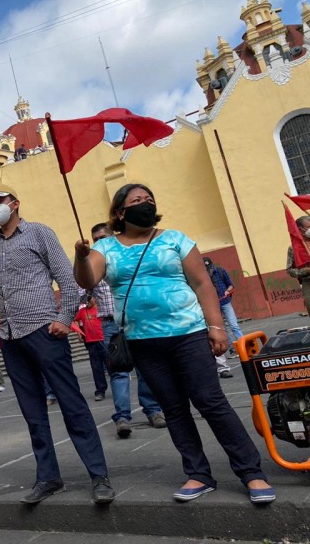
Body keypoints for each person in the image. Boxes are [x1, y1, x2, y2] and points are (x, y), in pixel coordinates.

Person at [74, 183, 275, 504]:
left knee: (211, 402)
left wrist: (216, 327)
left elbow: (202, 283)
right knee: (174, 409)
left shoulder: (175, 239)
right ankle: (198, 473)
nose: (146, 204)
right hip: (142, 342)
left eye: (149, 199)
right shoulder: (107, 249)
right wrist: (81, 257)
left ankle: (251, 473)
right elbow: (87, 280)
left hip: (189, 334)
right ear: (120, 212)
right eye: (137, 201)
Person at [0, 183, 114, 505]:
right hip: (12, 336)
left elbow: (67, 279)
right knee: (32, 412)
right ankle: (48, 477)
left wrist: (65, 318)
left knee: (71, 403)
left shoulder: (40, 233)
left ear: (14, 203)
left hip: (44, 329)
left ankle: (98, 474)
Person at [90, 223, 165, 436]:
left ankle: (153, 411)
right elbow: (78, 288)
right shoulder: (93, 263)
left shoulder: (124, 257)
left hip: (135, 319)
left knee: (145, 367)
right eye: (95, 238)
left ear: (113, 235)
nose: (99, 241)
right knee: (118, 370)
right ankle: (122, 417)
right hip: (109, 324)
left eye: (102, 236)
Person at [204, 257, 243, 359]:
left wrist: (227, 291)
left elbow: (230, 285)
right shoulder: (204, 276)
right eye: (206, 268)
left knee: (234, 325)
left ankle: (244, 346)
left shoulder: (220, 271)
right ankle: (233, 350)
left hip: (225, 302)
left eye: (209, 267)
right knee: (223, 329)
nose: (209, 270)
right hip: (214, 306)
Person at [74, 295, 107, 401]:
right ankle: (100, 391)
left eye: (89, 299)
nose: (87, 302)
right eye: (85, 300)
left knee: (111, 366)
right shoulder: (83, 311)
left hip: (103, 340)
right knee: (96, 368)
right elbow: (74, 320)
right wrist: (78, 332)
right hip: (91, 342)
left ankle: (118, 388)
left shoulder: (101, 309)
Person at [287, 214, 310, 315]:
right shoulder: (294, 249)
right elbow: (290, 270)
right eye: (308, 227)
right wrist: (306, 270)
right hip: (307, 282)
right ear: (300, 229)